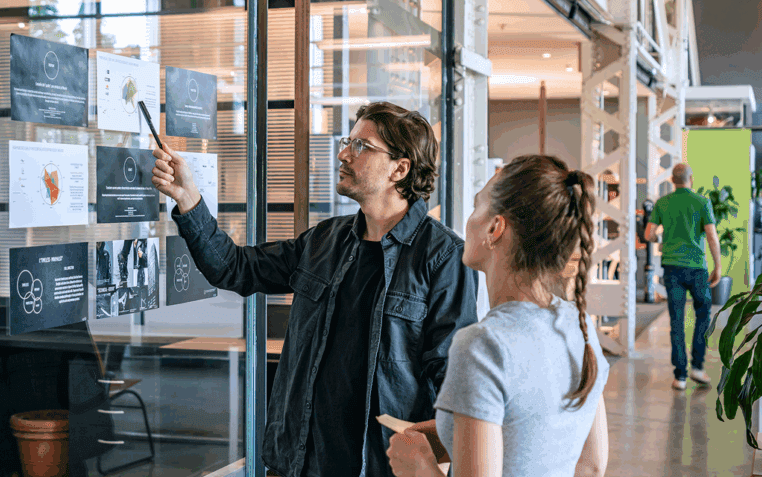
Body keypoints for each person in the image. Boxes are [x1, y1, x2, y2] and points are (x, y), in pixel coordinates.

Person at [152, 102, 478, 477]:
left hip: (379, 466)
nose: (343, 154)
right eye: (347, 142)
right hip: (300, 461)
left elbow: (450, 381)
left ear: (399, 169)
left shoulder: (443, 256)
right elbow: (234, 269)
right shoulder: (326, 240)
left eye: (361, 147)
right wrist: (188, 197)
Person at [384, 154, 609, 477]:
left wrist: (418, 467)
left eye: (478, 206)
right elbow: (591, 466)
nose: (468, 220)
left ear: (494, 228)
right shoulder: (578, 324)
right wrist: (452, 429)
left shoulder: (482, 345)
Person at [643, 163, 722, 390]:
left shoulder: (662, 203)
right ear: (691, 179)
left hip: (672, 268)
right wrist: (717, 266)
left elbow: (649, 234)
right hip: (697, 268)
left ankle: (680, 376)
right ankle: (698, 366)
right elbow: (712, 237)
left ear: (672, 180)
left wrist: (660, 240)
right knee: (703, 314)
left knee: (676, 320)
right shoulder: (702, 202)